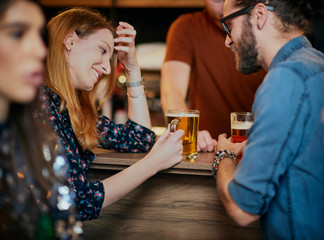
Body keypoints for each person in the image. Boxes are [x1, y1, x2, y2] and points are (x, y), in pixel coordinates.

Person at [213, 0, 324, 239]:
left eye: (229, 25)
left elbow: (241, 209)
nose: (227, 40)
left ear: (259, 15)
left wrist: (223, 155)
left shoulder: (285, 79)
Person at [39, 8, 184, 221]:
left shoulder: (75, 113)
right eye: (103, 50)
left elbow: (139, 138)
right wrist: (153, 163)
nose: (108, 69)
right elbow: (76, 202)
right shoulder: (39, 103)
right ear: (70, 42)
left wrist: (132, 68)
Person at [0, 0, 82, 239]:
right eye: (17, 33)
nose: (39, 49)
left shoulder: (40, 140)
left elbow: (67, 230)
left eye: (39, 35)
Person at [161, 0, 265, 152]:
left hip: (259, 150)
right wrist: (189, 133)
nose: (224, 4)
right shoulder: (187, 27)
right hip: (208, 150)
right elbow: (171, 92)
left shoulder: (264, 33)